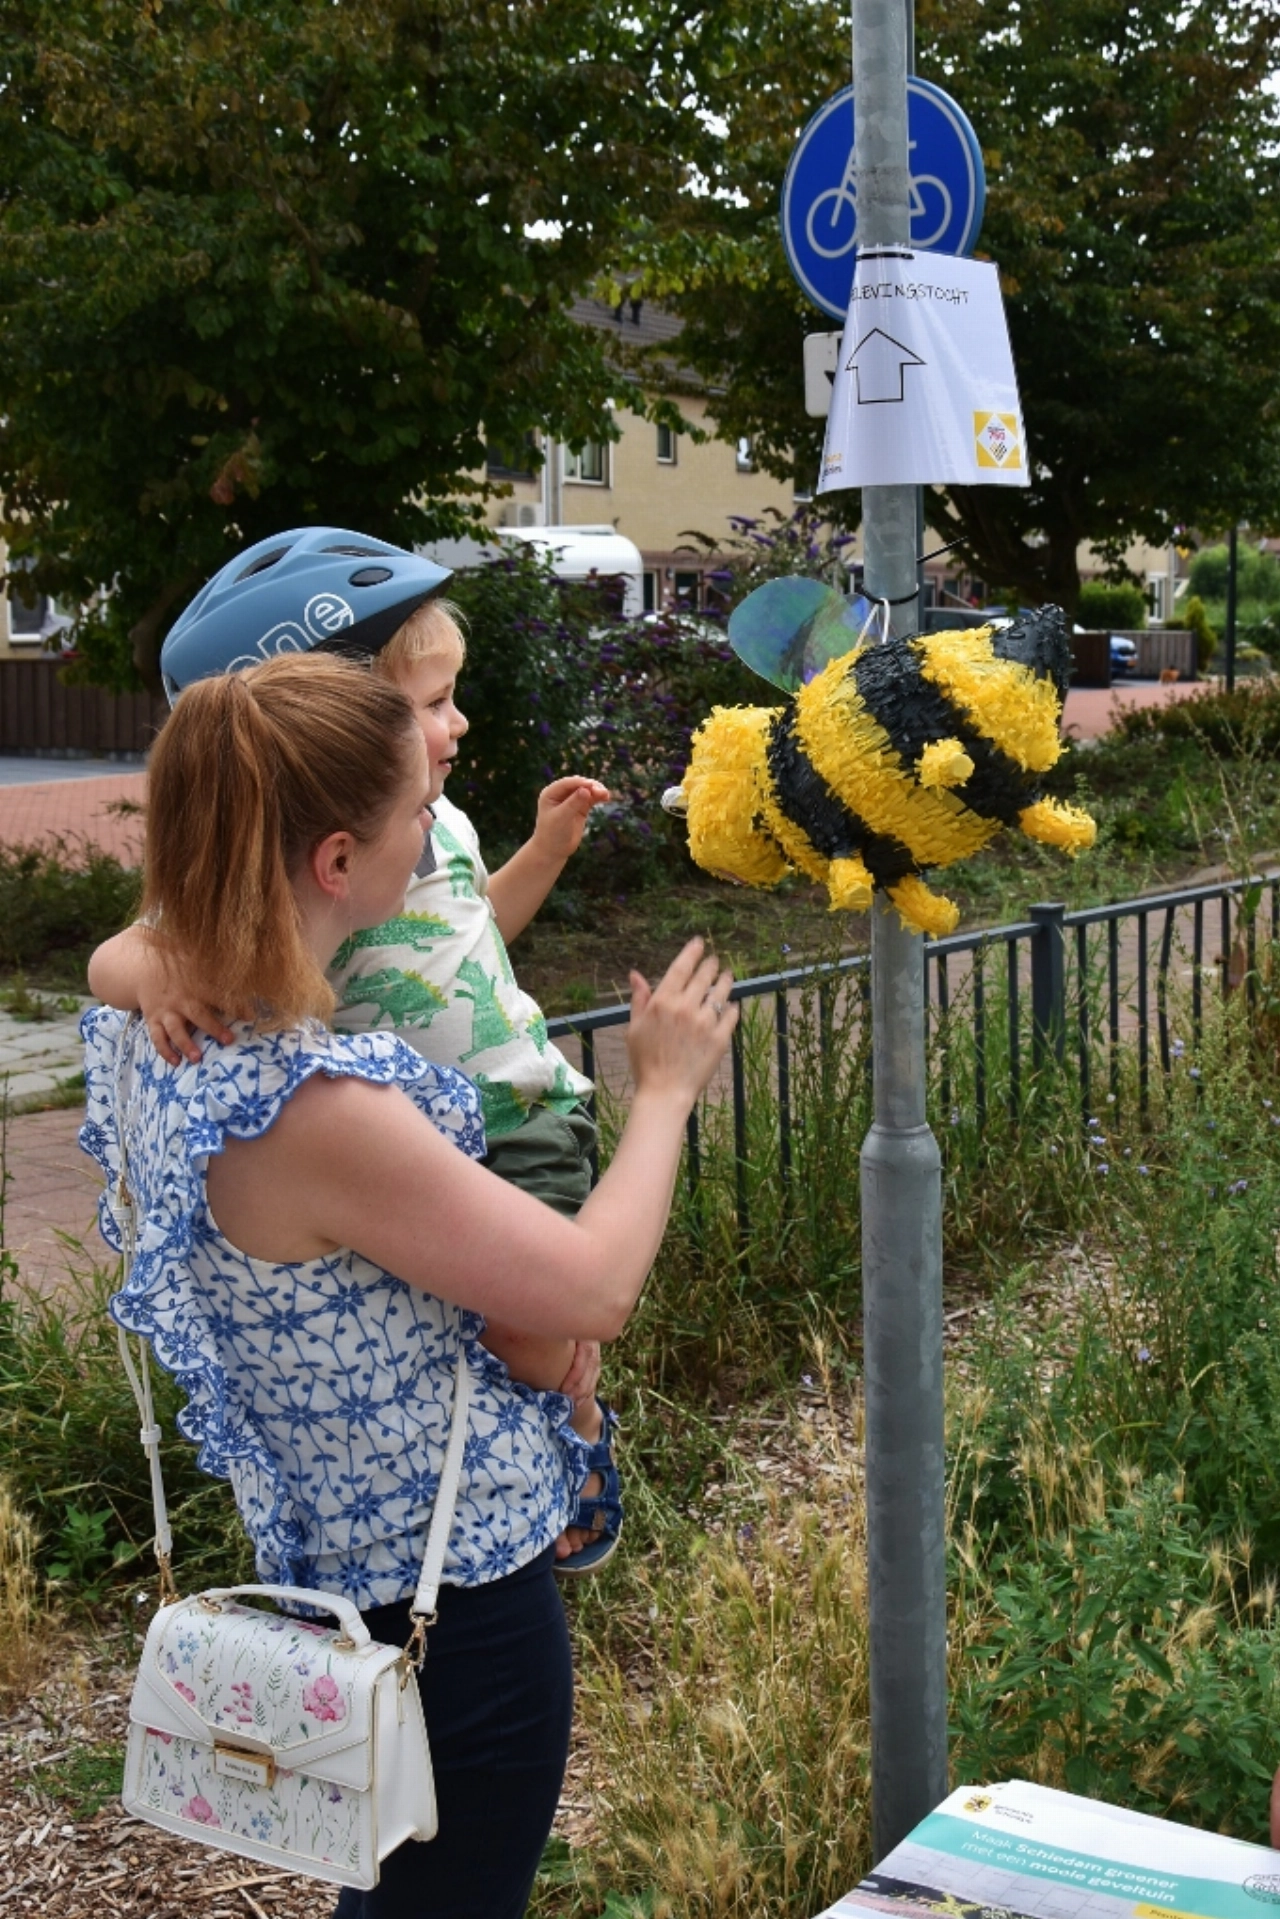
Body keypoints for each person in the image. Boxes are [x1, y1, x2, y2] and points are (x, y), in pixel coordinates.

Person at [80, 652, 737, 1919]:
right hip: (456, 1611)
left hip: (336, 1577)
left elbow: (125, 954)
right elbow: (590, 1284)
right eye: (414, 819)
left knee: (391, 1892)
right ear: (337, 863)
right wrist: (663, 1086)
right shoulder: (310, 1108)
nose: (431, 836)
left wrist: (137, 959)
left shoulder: (155, 1024)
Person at [92, 582, 620, 1571]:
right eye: (428, 703)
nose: (454, 723)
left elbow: (472, 937)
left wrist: (543, 853)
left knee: (535, 1329)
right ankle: (555, 1436)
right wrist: (164, 974)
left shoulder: (438, 825)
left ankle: (576, 1425)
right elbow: (122, 950)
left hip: (522, 1108)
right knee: (505, 1329)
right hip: (414, 1148)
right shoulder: (337, 849)